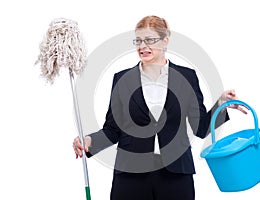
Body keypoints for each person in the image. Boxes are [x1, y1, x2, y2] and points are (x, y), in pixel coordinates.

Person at [73, 15, 247, 200]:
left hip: (176, 174)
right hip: (130, 175)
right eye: (138, 41)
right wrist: (90, 141)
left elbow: (200, 128)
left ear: (165, 41)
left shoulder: (187, 77)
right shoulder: (122, 79)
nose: (142, 46)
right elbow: (113, 129)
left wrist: (221, 104)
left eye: (149, 40)